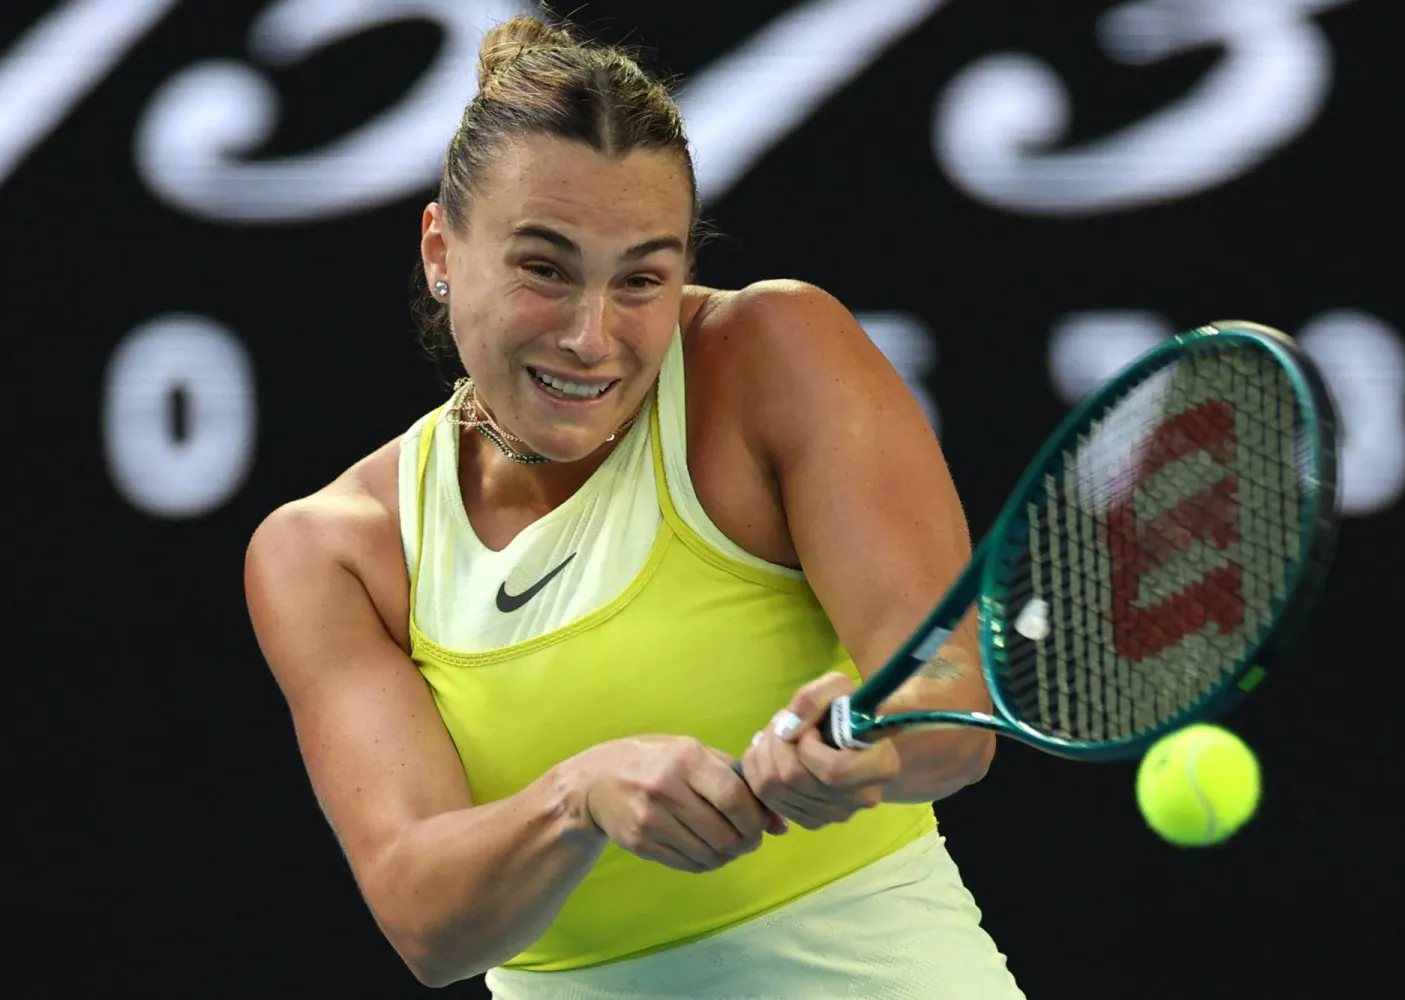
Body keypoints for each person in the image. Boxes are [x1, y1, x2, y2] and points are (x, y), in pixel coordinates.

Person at [244, 14, 1025, 999]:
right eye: (544, 267)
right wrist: (578, 799)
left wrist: (869, 741)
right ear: (441, 249)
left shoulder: (775, 354)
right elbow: (426, 922)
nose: (591, 336)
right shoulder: (332, 553)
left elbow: (956, 707)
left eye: (642, 279)